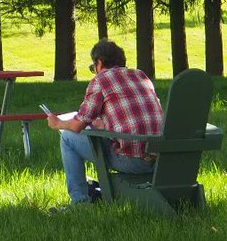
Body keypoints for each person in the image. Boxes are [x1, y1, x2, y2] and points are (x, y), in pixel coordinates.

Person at [45, 39, 163, 209]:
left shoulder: (101, 80)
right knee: (93, 131)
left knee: (68, 138)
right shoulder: (140, 75)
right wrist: (105, 125)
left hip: (132, 160)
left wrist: (57, 123)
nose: (95, 72)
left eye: (93, 68)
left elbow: (78, 125)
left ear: (99, 62)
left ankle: (80, 202)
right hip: (159, 157)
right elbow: (133, 116)